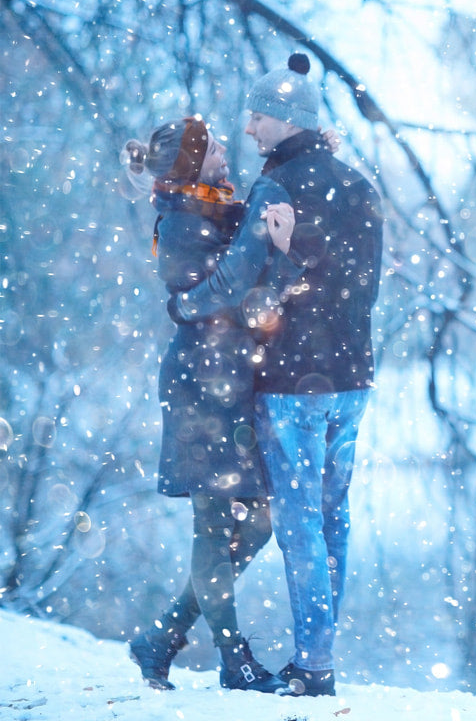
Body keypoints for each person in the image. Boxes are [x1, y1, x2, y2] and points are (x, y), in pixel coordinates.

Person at [169, 53, 383, 697]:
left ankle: (315, 670)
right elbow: (364, 287)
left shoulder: (276, 190)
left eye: (258, 117)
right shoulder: (359, 185)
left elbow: (238, 275)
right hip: (354, 376)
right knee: (333, 516)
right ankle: (318, 656)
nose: (251, 129)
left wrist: (187, 304)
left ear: (285, 120)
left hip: (293, 381)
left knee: (299, 524)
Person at [123, 115, 296, 694]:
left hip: (233, 383)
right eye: (212, 145)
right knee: (214, 524)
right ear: (191, 163)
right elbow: (221, 287)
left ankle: (163, 637)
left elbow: (245, 286)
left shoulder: (218, 208)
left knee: (262, 522)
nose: (224, 148)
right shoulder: (177, 223)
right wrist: (264, 209)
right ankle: (233, 658)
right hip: (200, 387)